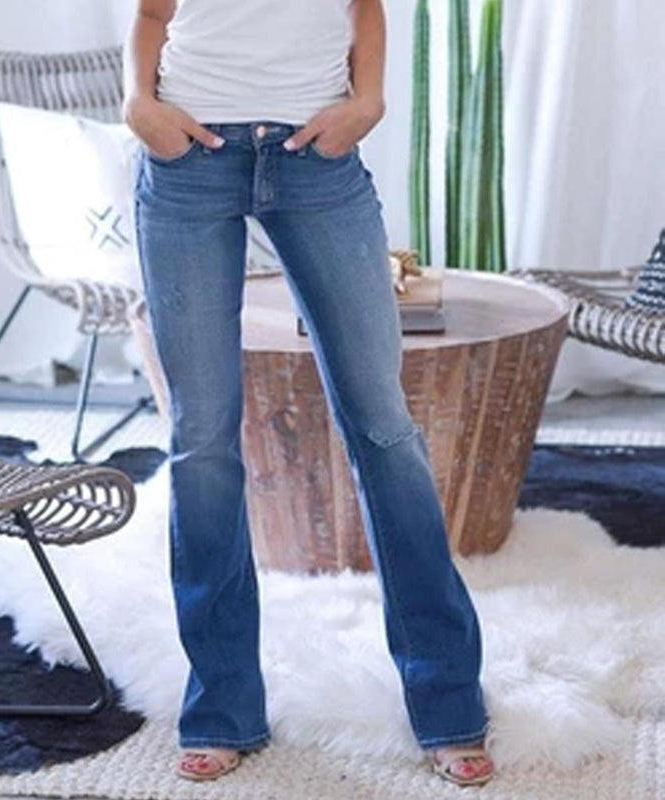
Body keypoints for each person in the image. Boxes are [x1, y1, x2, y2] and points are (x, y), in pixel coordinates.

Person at [123, 0, 495, 787]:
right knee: (202, 443)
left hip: (315, 159)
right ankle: (222, 705)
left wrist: (369, 100)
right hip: (188, 159)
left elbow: (365, 7)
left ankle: (448, 700)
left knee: (384, 429)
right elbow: (153, 12)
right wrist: (138, 102)